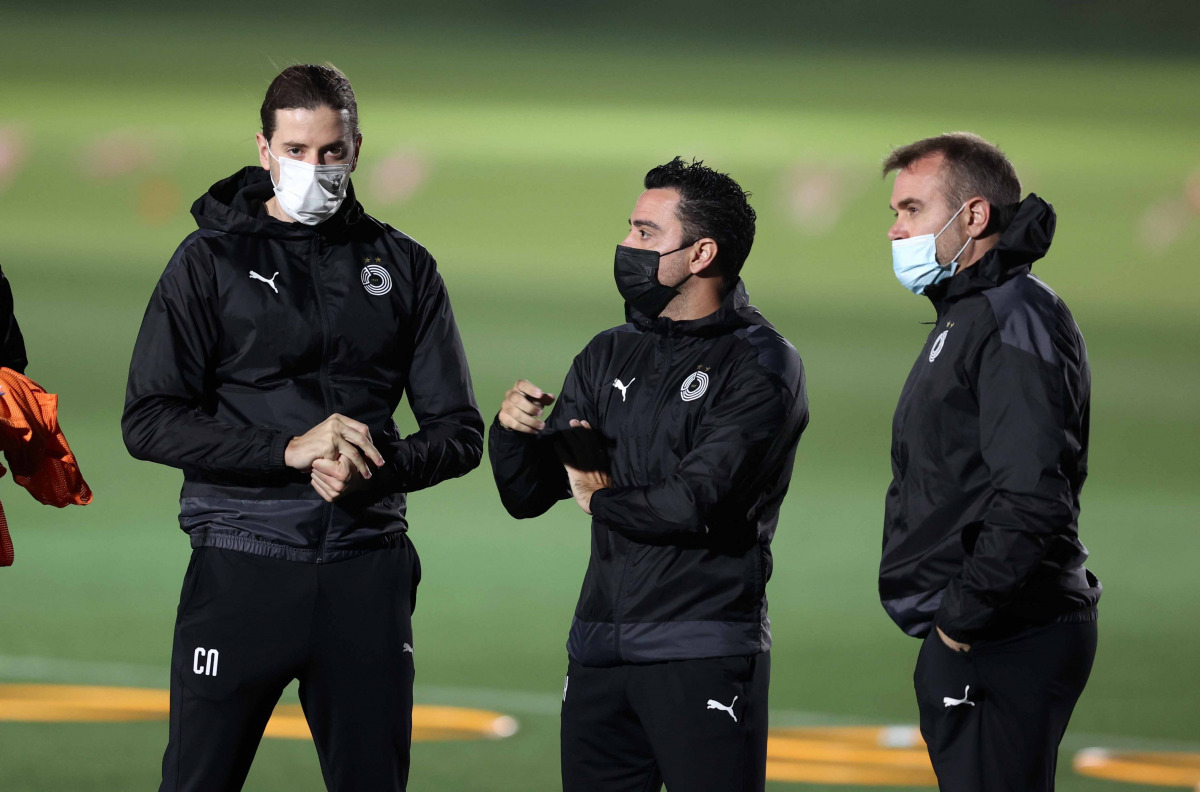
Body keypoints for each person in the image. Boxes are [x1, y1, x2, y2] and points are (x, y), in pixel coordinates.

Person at [122, 64, 483, 792]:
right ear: (263, 150)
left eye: (330, 153)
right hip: (242, 562)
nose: (314, 169)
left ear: (355, 150)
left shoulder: (404, 265)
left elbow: (458, 430)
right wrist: (287, 451)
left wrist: (374, 463)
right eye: (296, 151)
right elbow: (149, 421)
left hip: (366, 568)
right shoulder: (206, 262)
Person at [490, 157, 808, 792]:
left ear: (701, 253)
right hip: (600, 647)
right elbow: (530, 495)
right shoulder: (610, 350)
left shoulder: (761, 365)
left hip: (702, 648)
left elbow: (695, 502)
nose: (625, 247)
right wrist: (513, 434)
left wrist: (600, 499)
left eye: (644, 233)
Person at [879, 132, 1101, 791]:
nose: (895, 231)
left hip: (1003, 632)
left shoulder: (1012, 314)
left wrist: (958, 623)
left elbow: (1033, 493)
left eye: (912, 210)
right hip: (988, 627)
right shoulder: (972, 312)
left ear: (973, 216)